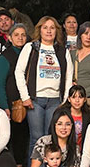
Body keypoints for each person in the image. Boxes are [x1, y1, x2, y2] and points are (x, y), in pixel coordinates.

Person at [15, 16, 74, 158]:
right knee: (36, 138)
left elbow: (68, 76)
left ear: (57, 31)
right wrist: (25, 97)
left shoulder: (62, 51)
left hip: (55, 101)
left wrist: (65, 100)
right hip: (35, 100)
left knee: (50, 138)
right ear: (39, 30)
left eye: (52, 28)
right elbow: (19, 71)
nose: (48, 31)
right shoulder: (31, 47)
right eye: (45, 27)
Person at [0, 23, 29, 167]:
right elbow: (0, 84)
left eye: (23, 35)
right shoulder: (5, 57)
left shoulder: (30, 54)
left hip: (29, 102)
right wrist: (5, 106)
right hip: (13, 103)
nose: (20, 38)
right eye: (16, 35)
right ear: (9, 38)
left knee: (25, 136)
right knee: (15, 137)